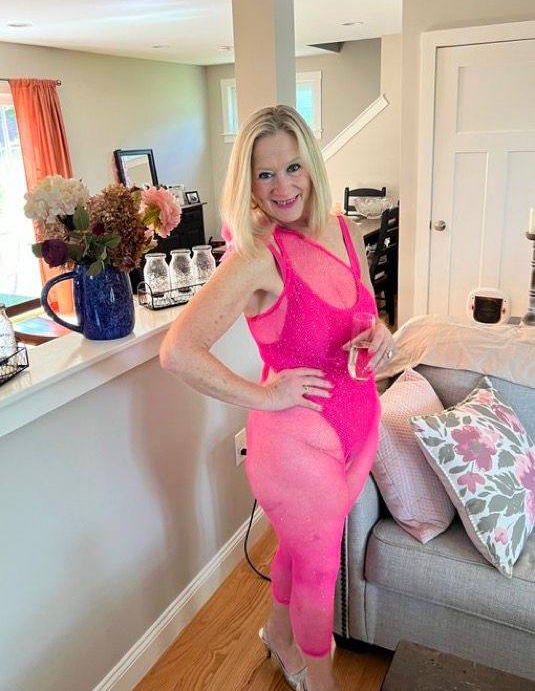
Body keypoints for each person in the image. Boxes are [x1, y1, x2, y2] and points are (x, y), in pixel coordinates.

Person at [159, 104, 396, 691]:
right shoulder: (258, 256)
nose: (283, 187)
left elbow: (365, 310)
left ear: (312, 164)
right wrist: (264, 395)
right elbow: (178, 351)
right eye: (265, 174)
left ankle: (277, 635)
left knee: (299, 548)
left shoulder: (345, 231)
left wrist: (381, 332)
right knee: (319, 570)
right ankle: (322, 681)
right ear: (248, 182)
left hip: (358, 432)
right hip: (297, 449)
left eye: (293, 167)